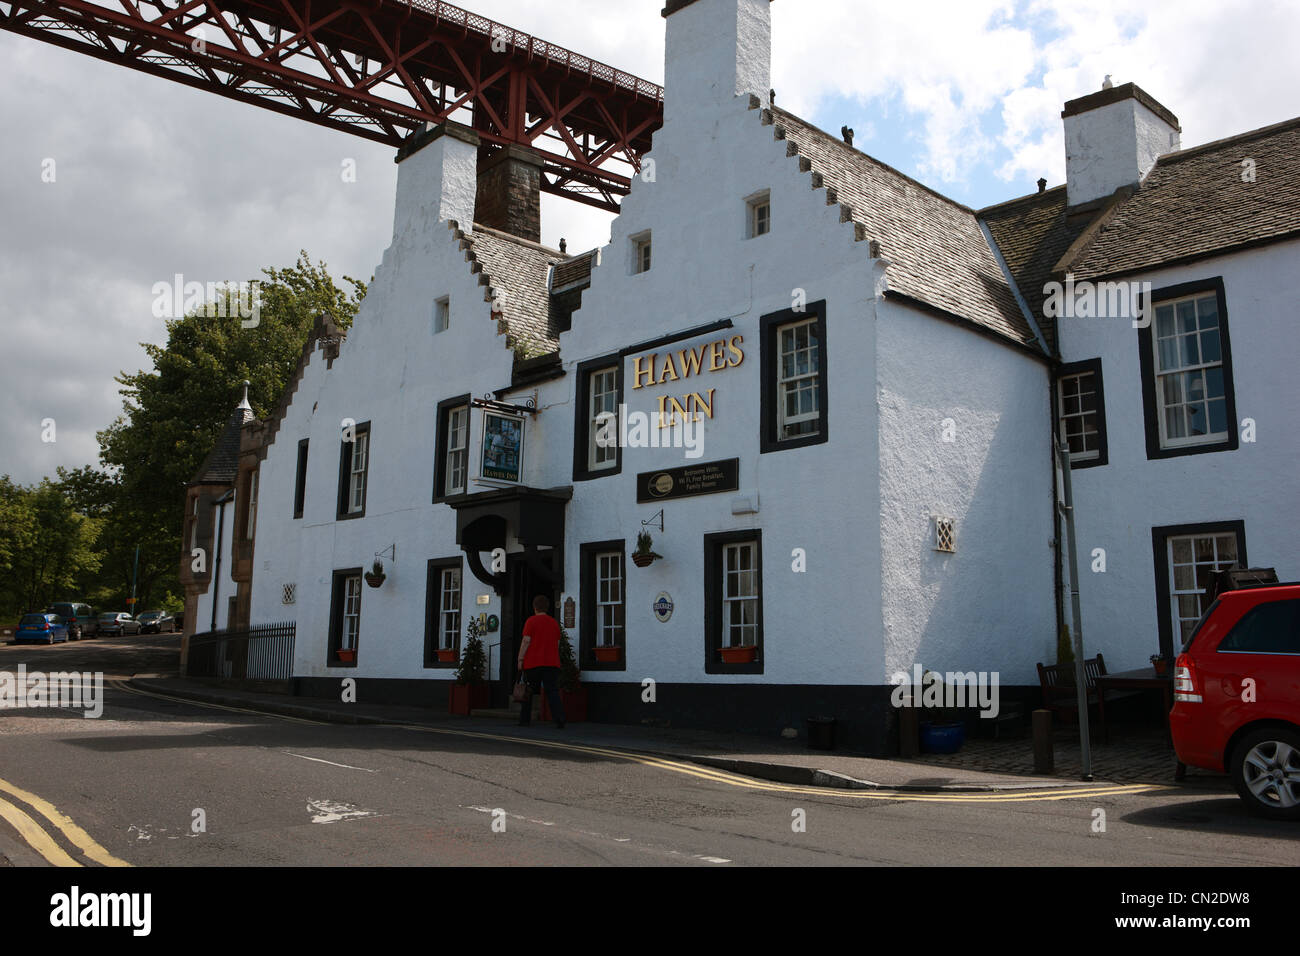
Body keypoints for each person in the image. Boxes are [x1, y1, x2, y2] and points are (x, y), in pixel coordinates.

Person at [516, 594, 565, 728]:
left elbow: (526, 641)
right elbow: (558, 643)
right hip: (551, 662)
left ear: (535, 607)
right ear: (547, 608)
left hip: (533, 663)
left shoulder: (531, 622)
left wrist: (520, 659)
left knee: (528, 691)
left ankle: (524, 720)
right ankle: (559, 718)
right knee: (552, 691)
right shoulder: (554, 623)